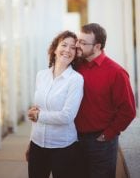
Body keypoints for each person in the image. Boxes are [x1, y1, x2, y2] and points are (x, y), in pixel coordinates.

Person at [75, 23, 136, 178]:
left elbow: (128, 110)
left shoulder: (116, 73)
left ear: (97, 46)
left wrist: (108, 134)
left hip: (101, 142)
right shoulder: (76, 66)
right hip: (74, 139)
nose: (77, 46)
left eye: (83, 43)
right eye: (78, 40)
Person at [27, 30, 84, 178]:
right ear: (54, 49)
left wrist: (39, 116)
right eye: (64, 45)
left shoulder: (76, 80)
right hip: (37, 144)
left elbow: (67, 116)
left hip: (63, 147)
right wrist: (30, 142)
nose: (68, 50)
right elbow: (37, 110)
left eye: (73, 47)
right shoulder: (41, 75)